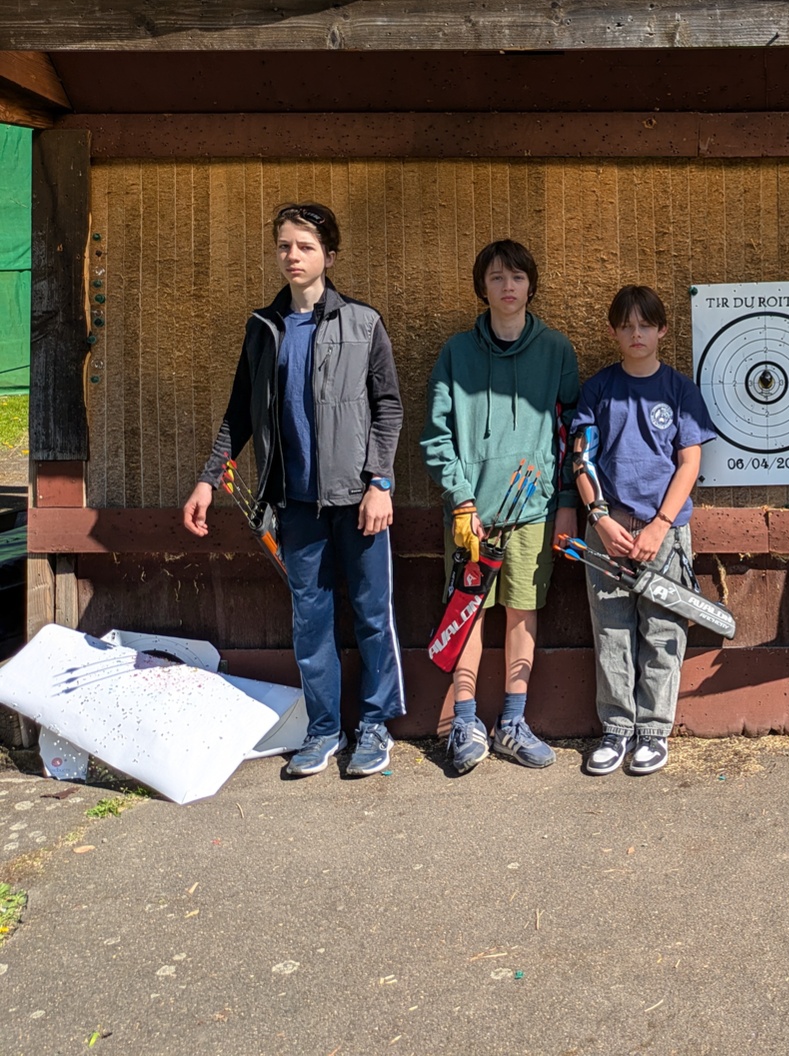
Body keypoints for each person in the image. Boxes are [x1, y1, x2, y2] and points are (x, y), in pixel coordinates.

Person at [182, 203, 405, 778]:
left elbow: (388, 407)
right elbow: (239, 412)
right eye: (284, 245)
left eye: (305, 246)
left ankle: (375, 726)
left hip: (359, 501)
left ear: (329, 255)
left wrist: (380, 482)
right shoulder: (265, 328)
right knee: (310, 622)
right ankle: (325, 728)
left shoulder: (363, 322)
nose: (293, 256)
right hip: (295, 503)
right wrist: (208, 477)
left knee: (372, 616)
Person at [419, 239, 580, 774]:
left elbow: (570, 432)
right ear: (481, 287)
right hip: (472, 515)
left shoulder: (556, 350)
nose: (507, 287)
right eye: (496, 278)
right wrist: (460, 498)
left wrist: (565, 502)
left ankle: (512, 721)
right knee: (468, 614)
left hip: (534, 511)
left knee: (522, 611)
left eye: (517, 277)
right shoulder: (456, 353)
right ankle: (464, 722)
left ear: (531, 286)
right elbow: (436, 435)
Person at [568, 285, 717, 776]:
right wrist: (600, 519)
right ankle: (616, 729)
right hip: (608, 531)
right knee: (611, 629)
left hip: (665, 534)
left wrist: (659, 525)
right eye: (627, 326)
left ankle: (653, 732)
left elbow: (690, 462)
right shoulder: (599, 390)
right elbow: (581, 459)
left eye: (646, 325)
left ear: (662, 331)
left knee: (663, 629)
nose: (637, 334)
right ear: (613, 332)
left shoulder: (679, 390)